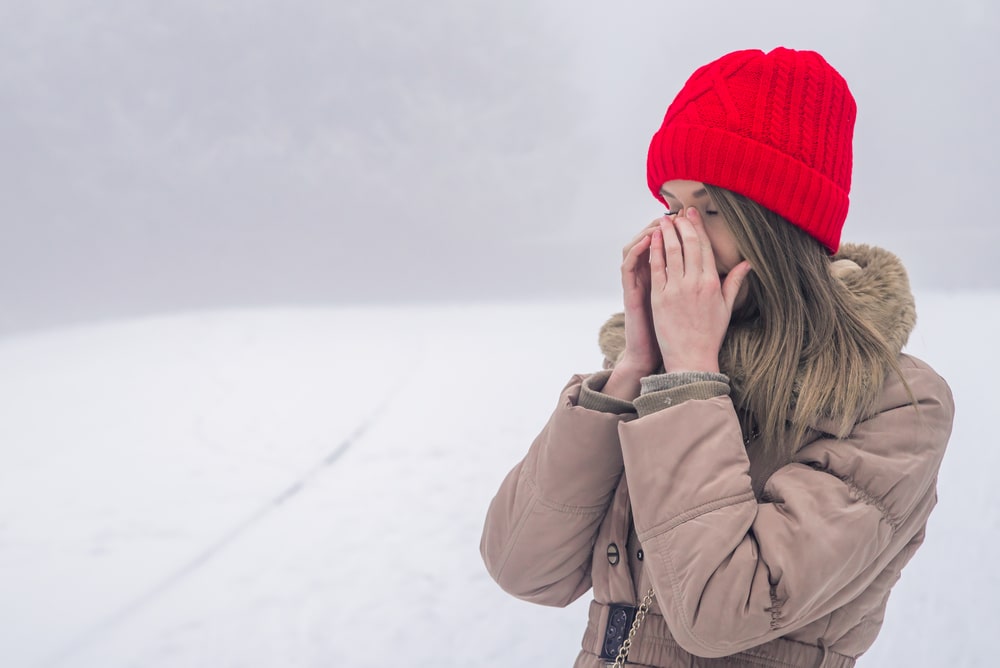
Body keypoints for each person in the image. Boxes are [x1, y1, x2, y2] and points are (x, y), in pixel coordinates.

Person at [480, 47, 954, 668]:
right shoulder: (658, 375)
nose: (681, 235)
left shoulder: (895, 403)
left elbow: (719, 614)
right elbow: (524, 568)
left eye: (710, 209)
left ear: (780, 226)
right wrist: (632, 370)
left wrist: (690, 381)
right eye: (674, 208)